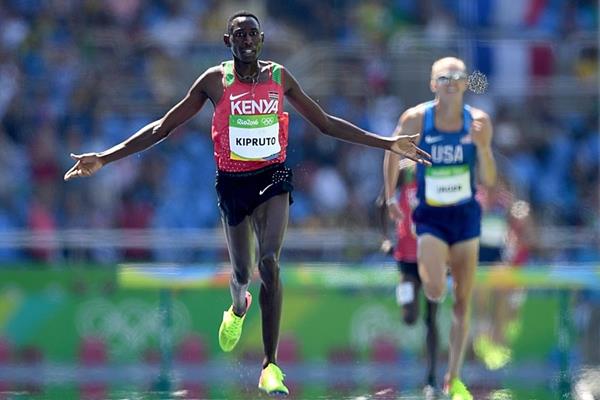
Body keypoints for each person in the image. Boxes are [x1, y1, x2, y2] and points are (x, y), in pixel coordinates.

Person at [63, 11, 431, 396]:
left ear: (262, 39)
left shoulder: (279, 77)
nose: (247, 39)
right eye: (239, 34)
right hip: (233, 184)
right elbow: (163, 127)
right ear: (228, 42)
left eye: (253, 33)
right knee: (241, 274)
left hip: (272, 177)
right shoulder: (213, 82)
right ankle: (238, 306)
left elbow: (324, 122)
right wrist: (104, 157)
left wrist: (388, 143)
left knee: (269, 263)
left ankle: (270, 366)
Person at [383, 56, 496, 400]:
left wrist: (483, 148)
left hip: (465, 218)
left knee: (463, 303)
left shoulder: (478, 122)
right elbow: (391, 152)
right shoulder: (417, 119)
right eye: (443, 77)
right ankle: (432, 277)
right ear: (433, 84)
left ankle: (453, 377)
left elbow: (489, 180)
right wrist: (389, 197)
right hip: (431, 217)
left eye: (457, 77)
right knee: (434, 290)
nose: (450, 82)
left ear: (466, 83)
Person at [377, 159, 439, 397]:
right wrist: (385, 238)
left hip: (434, 256)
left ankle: (431, 379)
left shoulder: (440, 172)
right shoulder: (406, 170)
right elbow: (381, 203)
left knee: (431, 318)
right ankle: (405, 295)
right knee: (410, 316)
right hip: (406, 258)